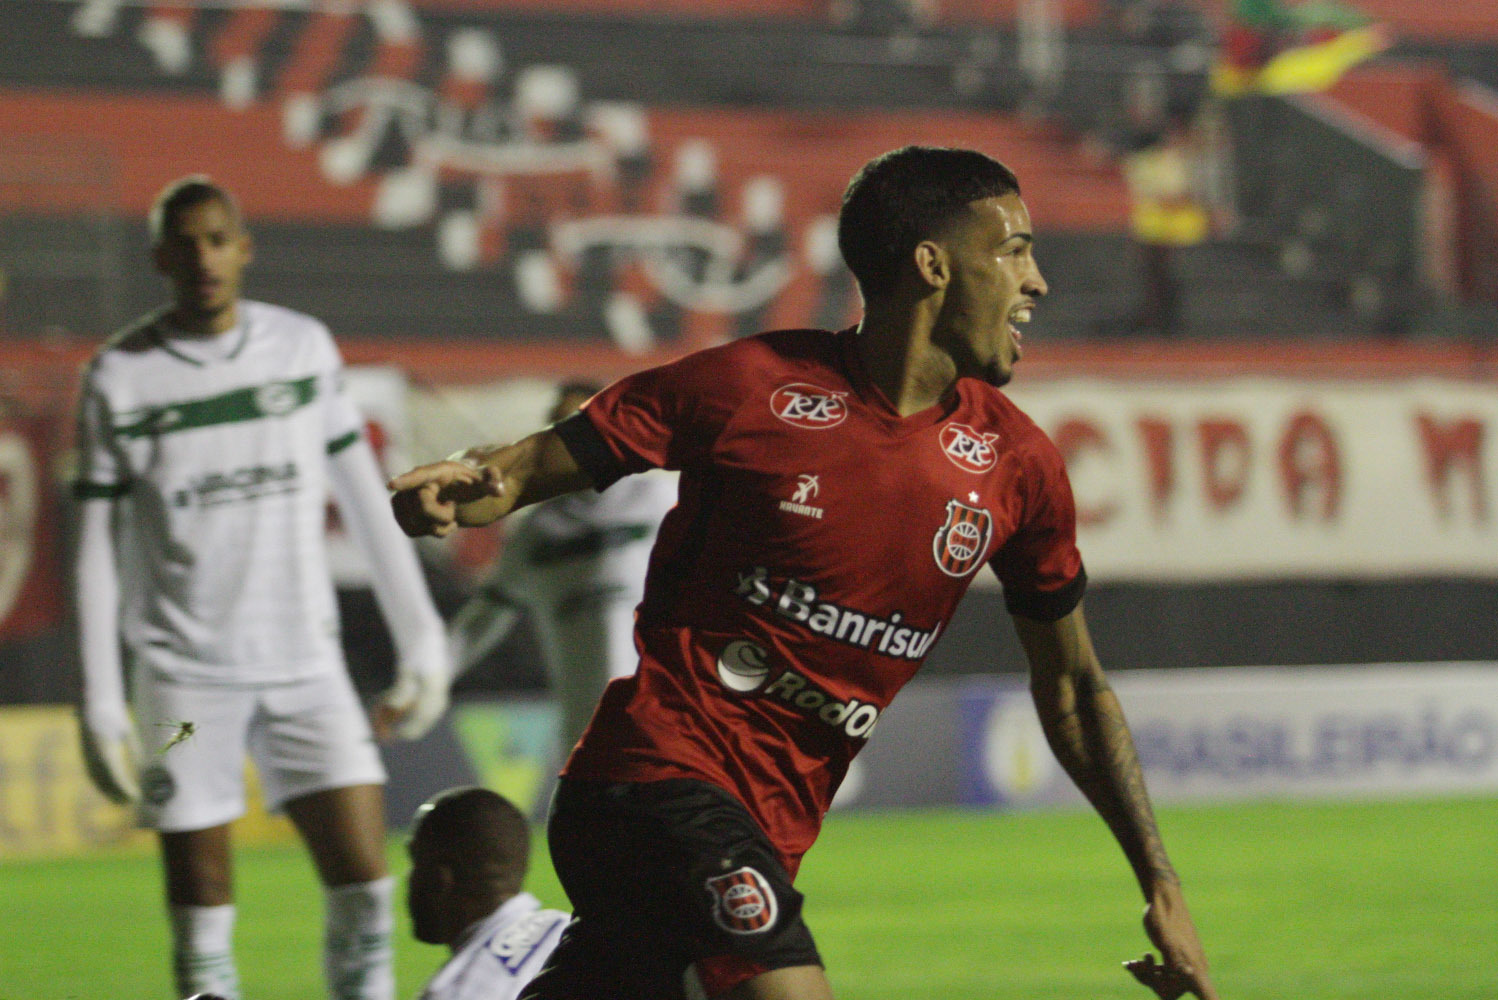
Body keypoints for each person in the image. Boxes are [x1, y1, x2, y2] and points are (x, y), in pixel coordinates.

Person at [388, 146, 1219, 1000]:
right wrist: (463, 485)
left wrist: (1161, 884)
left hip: (762, 832)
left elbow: (1075, 690)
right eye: (1013, 250)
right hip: (654, 781)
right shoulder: (750, 388)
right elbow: (528, 468)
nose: (1036, 281)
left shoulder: (1018, 467)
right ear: (932, 265)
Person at [73, 175, 451, 1000]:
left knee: (366, 888)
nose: (204, 257)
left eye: (218, 239)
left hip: (306, 664)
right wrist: (101, 699)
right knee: (202, 907)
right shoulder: (119, 379)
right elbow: (96, 545)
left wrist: (422, 636)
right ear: (160, 258)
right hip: (181, 679)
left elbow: (364, 492)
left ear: (243, 248)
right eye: (187, 243)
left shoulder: (302, 348)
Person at [447, 380, 676, 758]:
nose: (567, 441)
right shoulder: (538, 529)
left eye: (577, 425)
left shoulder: (662, 500)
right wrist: (425, 682)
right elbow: (484, 619)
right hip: (582, 734)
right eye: (557, 428)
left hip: (665, 723)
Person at [406, 787, 571, 1000]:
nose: (409, 879)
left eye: (416, 863)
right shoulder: (568, 929)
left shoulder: (454, 992)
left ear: (441, 879)